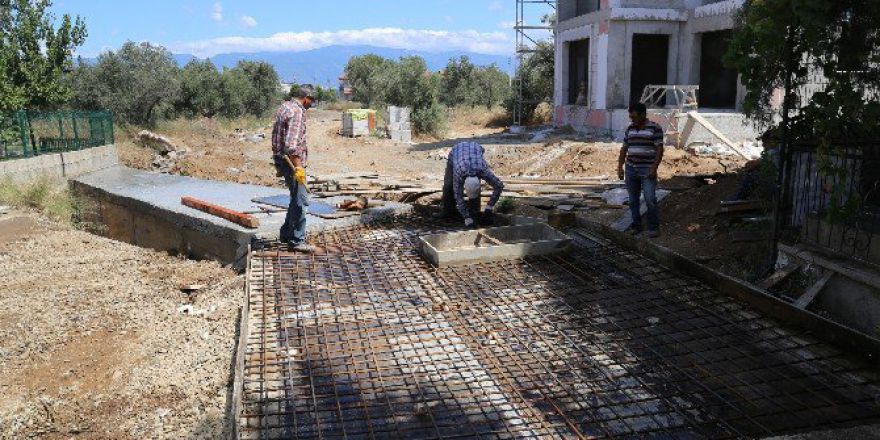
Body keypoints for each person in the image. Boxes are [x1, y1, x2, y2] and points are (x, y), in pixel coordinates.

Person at [271, 85, 317, 252]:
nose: (311, 105)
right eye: (311, 101)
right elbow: (291, 145)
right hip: (292, 162)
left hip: (282, 159)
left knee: (295, 197)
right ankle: (297, 240)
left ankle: (286, 234)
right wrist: (298, 168)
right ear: (306, 98)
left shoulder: (285, 106)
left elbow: (277, 138)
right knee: (301, 200)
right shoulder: (297, 112)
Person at [617, 102, 664, 238]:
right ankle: (636, 225)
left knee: (650, 198)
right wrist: (620, 167)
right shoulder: (630, 129)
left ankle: (654, 227)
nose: (632, 119)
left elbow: (659, 149)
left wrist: (654, 168)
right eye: (631, 117)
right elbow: (624, 149)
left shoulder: (655, 128)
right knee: (633, 200)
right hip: (631, 168)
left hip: (647, 169)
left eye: (634, 117)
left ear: (643, 115)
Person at [438, 141, 505, 227]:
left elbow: (499, 186)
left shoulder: (482, 170)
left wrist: (489, 207)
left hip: (475, 149)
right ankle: (448, 212)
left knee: (474, 196)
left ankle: (474, 213)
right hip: (456, 151)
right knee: (449, 185)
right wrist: (467, 218)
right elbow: (458, 196)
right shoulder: (459, 172)